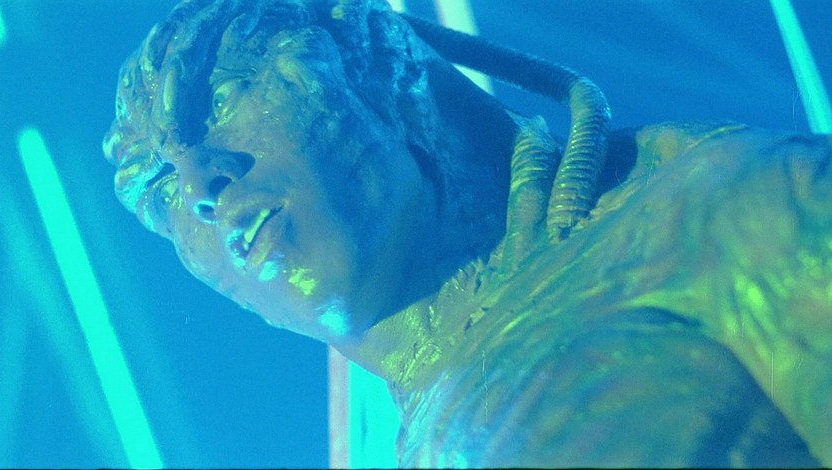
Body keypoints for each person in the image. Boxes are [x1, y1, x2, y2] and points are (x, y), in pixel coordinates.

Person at [102, 0, 832, 466]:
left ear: (372, 68)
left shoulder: (716, 213)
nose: (198, 187)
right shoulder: (399, 438)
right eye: (158, 187)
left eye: (222, 100)